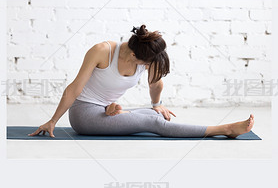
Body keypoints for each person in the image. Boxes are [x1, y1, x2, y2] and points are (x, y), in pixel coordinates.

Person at [28, 24, 254, 138]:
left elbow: (155, 84)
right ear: (134, 55)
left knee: (154, 114)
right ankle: (224, 129)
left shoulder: (149, 56)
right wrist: (53, 120)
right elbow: (74, 88)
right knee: (154, 124)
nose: (147, 67)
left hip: (107, 111)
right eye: (145, 64)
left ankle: (118, 111)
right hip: (84, 114)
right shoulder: (101, 51)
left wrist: (157, 104)